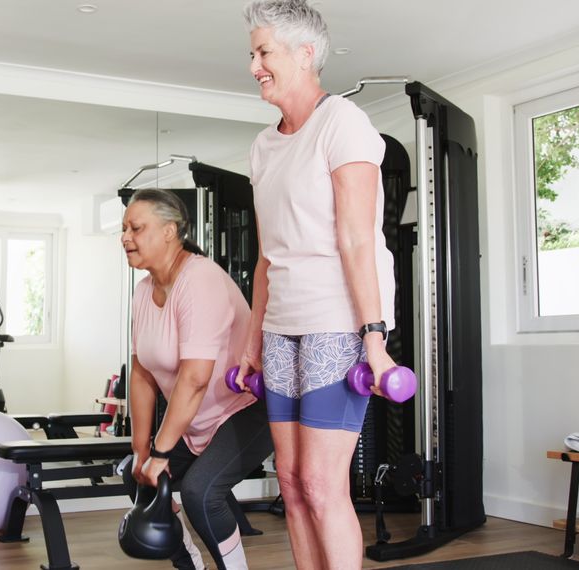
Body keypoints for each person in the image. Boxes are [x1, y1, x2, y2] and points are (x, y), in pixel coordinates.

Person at [237, 1, 400, 568]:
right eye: (253, 53)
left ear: (305, 54)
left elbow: (357, 240)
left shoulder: (343, 124)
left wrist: (374, 340)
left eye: (264, 52)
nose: (254, 64)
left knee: (321, 482)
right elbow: (266, 256)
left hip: (336, 321)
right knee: (290, 480)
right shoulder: (263, 146)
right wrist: (251, 338)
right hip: (282, 326)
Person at [121, 189, 274, 570]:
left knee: (201, 493)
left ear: (170, 231)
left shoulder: (200, 279)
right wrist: (142, 450)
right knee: (137, 477)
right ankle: (190, 566)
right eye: (123, 229)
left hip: (244, 410)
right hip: (193, 420)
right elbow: (142, 374)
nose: (125, 237)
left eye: (136, 228)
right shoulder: (143, 292)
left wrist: (160, 453)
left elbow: (195, 378)